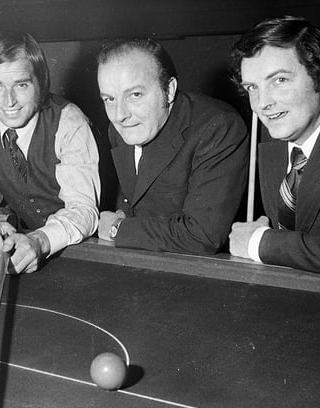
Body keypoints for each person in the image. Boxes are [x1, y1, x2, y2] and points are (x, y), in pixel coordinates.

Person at [0, 31, 100, 274]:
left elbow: (84, 210)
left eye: (21, 85)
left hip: (74, 248)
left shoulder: (70, 121)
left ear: (41, 83)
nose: (9, 101)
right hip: (20, 243)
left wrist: (41, 241)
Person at [228, 16, 320, 278]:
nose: (262, 103)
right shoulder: (281, 123)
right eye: (252, 87)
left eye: (279, 80)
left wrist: (260, 243)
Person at [96, 38, 249, 254]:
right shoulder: (122, 128)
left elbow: (202, 235)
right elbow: (135, 199)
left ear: (169, 90)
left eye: (135, 95)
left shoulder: (219, 127)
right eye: (109, 99)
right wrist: (123, 213)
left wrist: (117, 228)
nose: (120, 115)